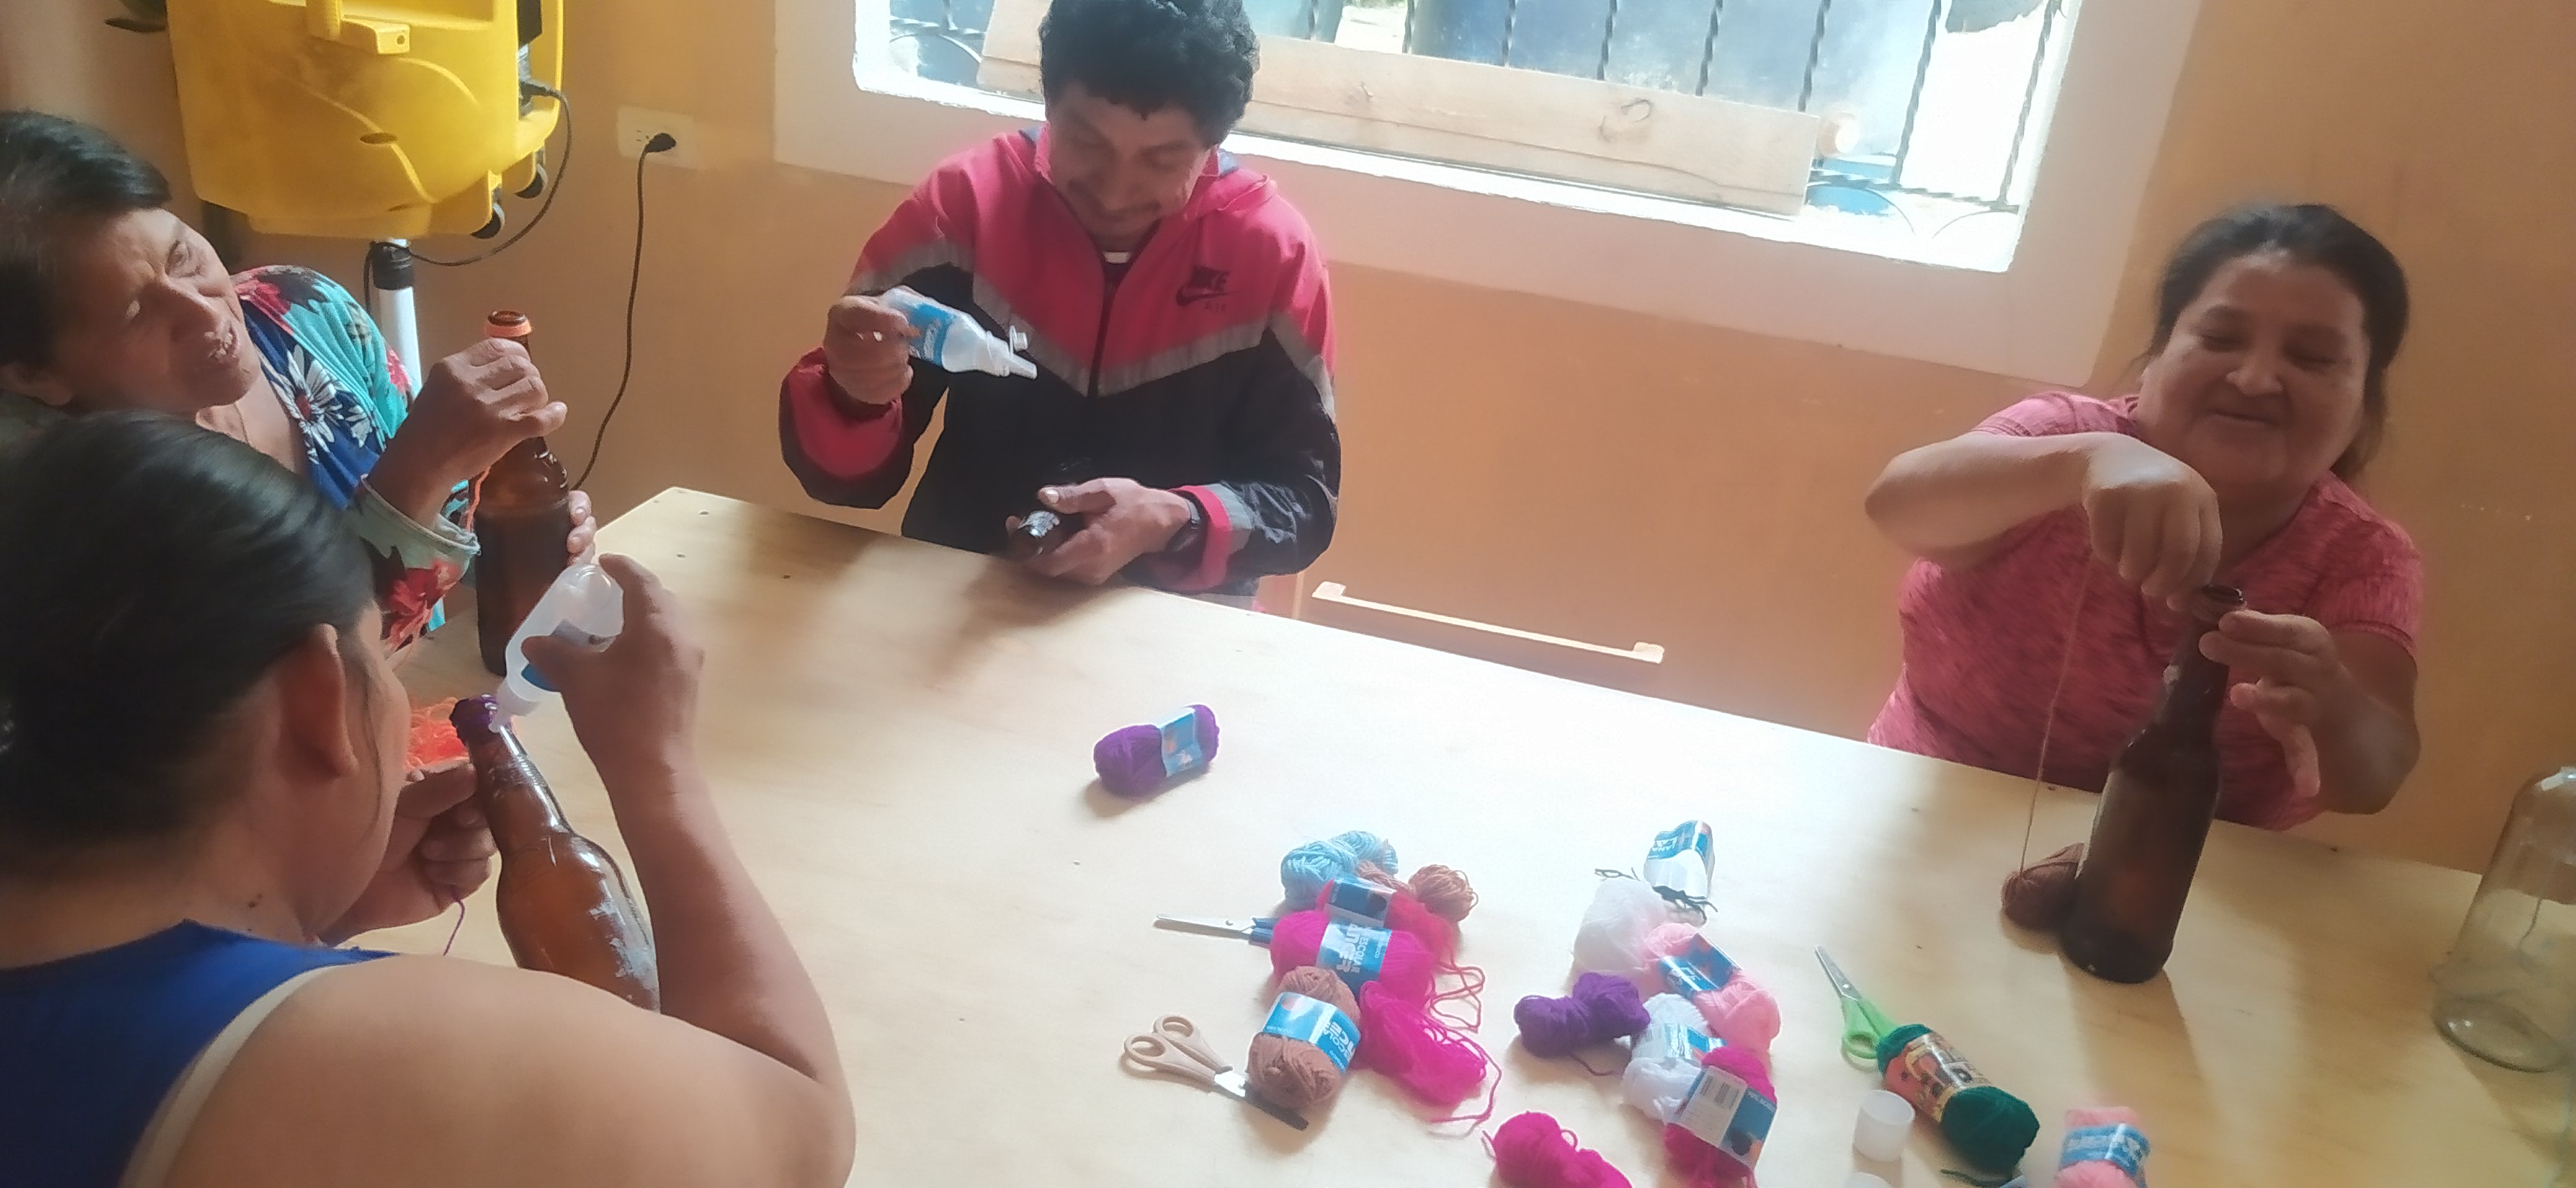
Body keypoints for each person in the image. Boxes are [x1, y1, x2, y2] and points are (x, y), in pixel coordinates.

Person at [0, 414, 855, 1188]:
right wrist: (658, 770)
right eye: (382, 654)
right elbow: (799, 1137)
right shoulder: (357, 1061)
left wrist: (304, 917)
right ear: (318, 697)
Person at [1864, 204, 2420, 830]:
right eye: (2220, 338)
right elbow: (1895, 506)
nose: (2255, 378)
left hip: (2180, 871)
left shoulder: (2361, 555)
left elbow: (2375, 780)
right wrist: (2082, 464)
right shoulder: (2064, 436)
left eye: (2313, 357)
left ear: (2364, 403)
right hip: (1923, 815)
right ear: (2158, 356)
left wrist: (2332, 702)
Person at [780, 0, 1339, 599]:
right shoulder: (966, 207)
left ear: (1214, 144)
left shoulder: (1272, 255)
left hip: (1176, 619)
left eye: (1163, 160)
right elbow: (844, 483)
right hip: (961, 597)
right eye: (1086, 141)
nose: (1115, 194)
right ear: (1048, 106)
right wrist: (854, 397)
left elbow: (1304, 502)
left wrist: (1173, 520)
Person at [0, 110, 594, 651]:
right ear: (33, 374)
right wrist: (416, 471)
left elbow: (460, 519)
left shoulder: (303, 312)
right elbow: (300, 684)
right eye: (136, 314)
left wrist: (536, 540)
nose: (207, 314)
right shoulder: (54, 502)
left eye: (182, 258)